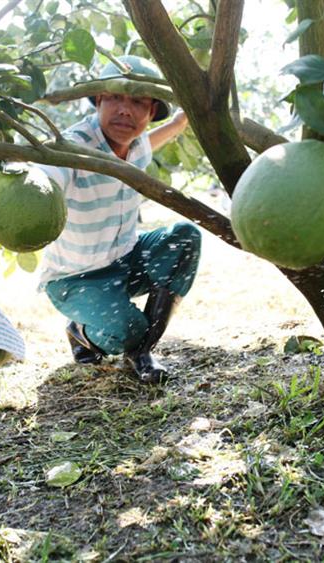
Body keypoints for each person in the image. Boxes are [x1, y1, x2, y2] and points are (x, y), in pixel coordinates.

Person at [38, 55, 201, 385]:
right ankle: (82, 332)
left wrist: (179, 124)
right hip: (76, 278)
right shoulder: (73, 147)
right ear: (99, 100)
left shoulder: (137, 143)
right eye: (114, 98)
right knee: (126, 329)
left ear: (151, 111)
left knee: (185, 236)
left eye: (138, 101)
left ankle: (142, 352)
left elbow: (149, 142)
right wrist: (23, 195)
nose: (125, 110)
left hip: (126, 260)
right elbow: (45, 175)